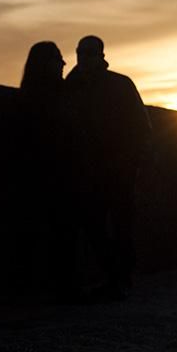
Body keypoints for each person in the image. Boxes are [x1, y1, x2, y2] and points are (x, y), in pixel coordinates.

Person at [65, 35, 151, 300]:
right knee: (103, 225)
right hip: (96, 171)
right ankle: (118, 278)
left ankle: (118, 279)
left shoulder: (115, 84)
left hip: (115, 170)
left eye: (87, 53)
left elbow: (140, 129)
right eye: (81, 53)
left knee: (115, 225)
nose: (83, 58)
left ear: (99, 56)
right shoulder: (81, 85)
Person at [17, 42, 79, 300]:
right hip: (52, 174)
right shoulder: (50, 96)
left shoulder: (41, 94)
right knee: (59, 231)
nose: (63, 64)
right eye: (58, 59)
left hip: (49, 173)